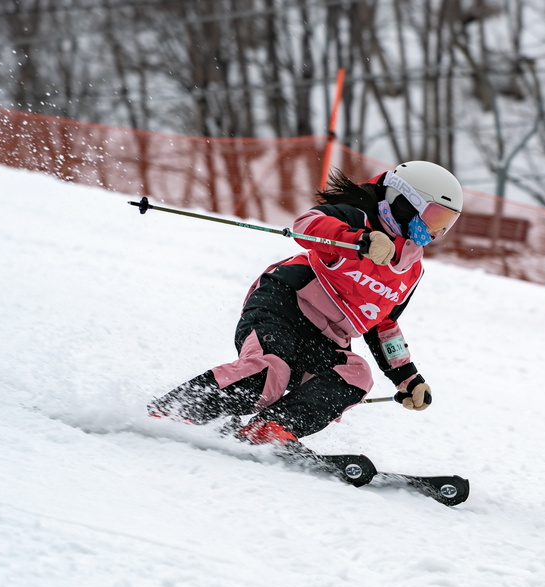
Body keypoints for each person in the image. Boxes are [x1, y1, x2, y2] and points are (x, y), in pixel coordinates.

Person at [148, 161, 464, 446]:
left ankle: (270, 430)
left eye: (445, 223)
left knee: (356, 374)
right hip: (284, 306)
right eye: (434, 216)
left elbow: (383, 324)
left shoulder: (412, 270)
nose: (435, 231)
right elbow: (307, 225)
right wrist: (358, 242)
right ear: (403, 202)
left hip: (326, 338)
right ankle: (173, 412)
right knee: (271, 373)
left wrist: (407, 378)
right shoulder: (359, 219)